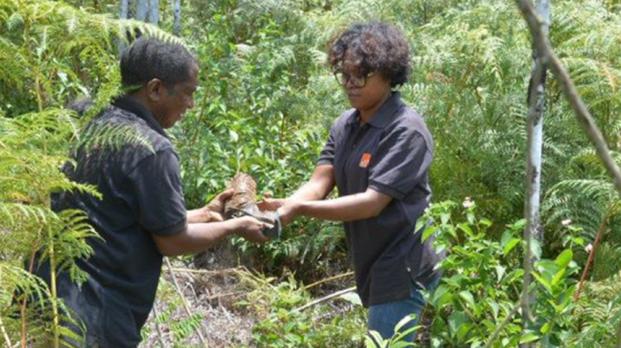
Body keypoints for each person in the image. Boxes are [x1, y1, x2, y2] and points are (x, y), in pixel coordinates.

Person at [34, 37, 268, 347]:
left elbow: (114, 215)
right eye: (188, 93)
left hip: (38, 296)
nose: (191, 104)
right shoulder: (152, 150)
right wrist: (236, 225)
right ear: (155, 89)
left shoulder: (85, 119)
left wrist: (203, 214)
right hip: (96, 317)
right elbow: (172, 241)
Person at [261, 22, 444, 341]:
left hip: (403, 263)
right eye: (344, 75)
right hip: (372, 260)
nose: (350, 84)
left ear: (388, 73)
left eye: (360, 75)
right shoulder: (346, 124)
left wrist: (301, 209)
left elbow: (372, 204)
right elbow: (320, 181)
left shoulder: (406, 131)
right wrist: (286, 205)